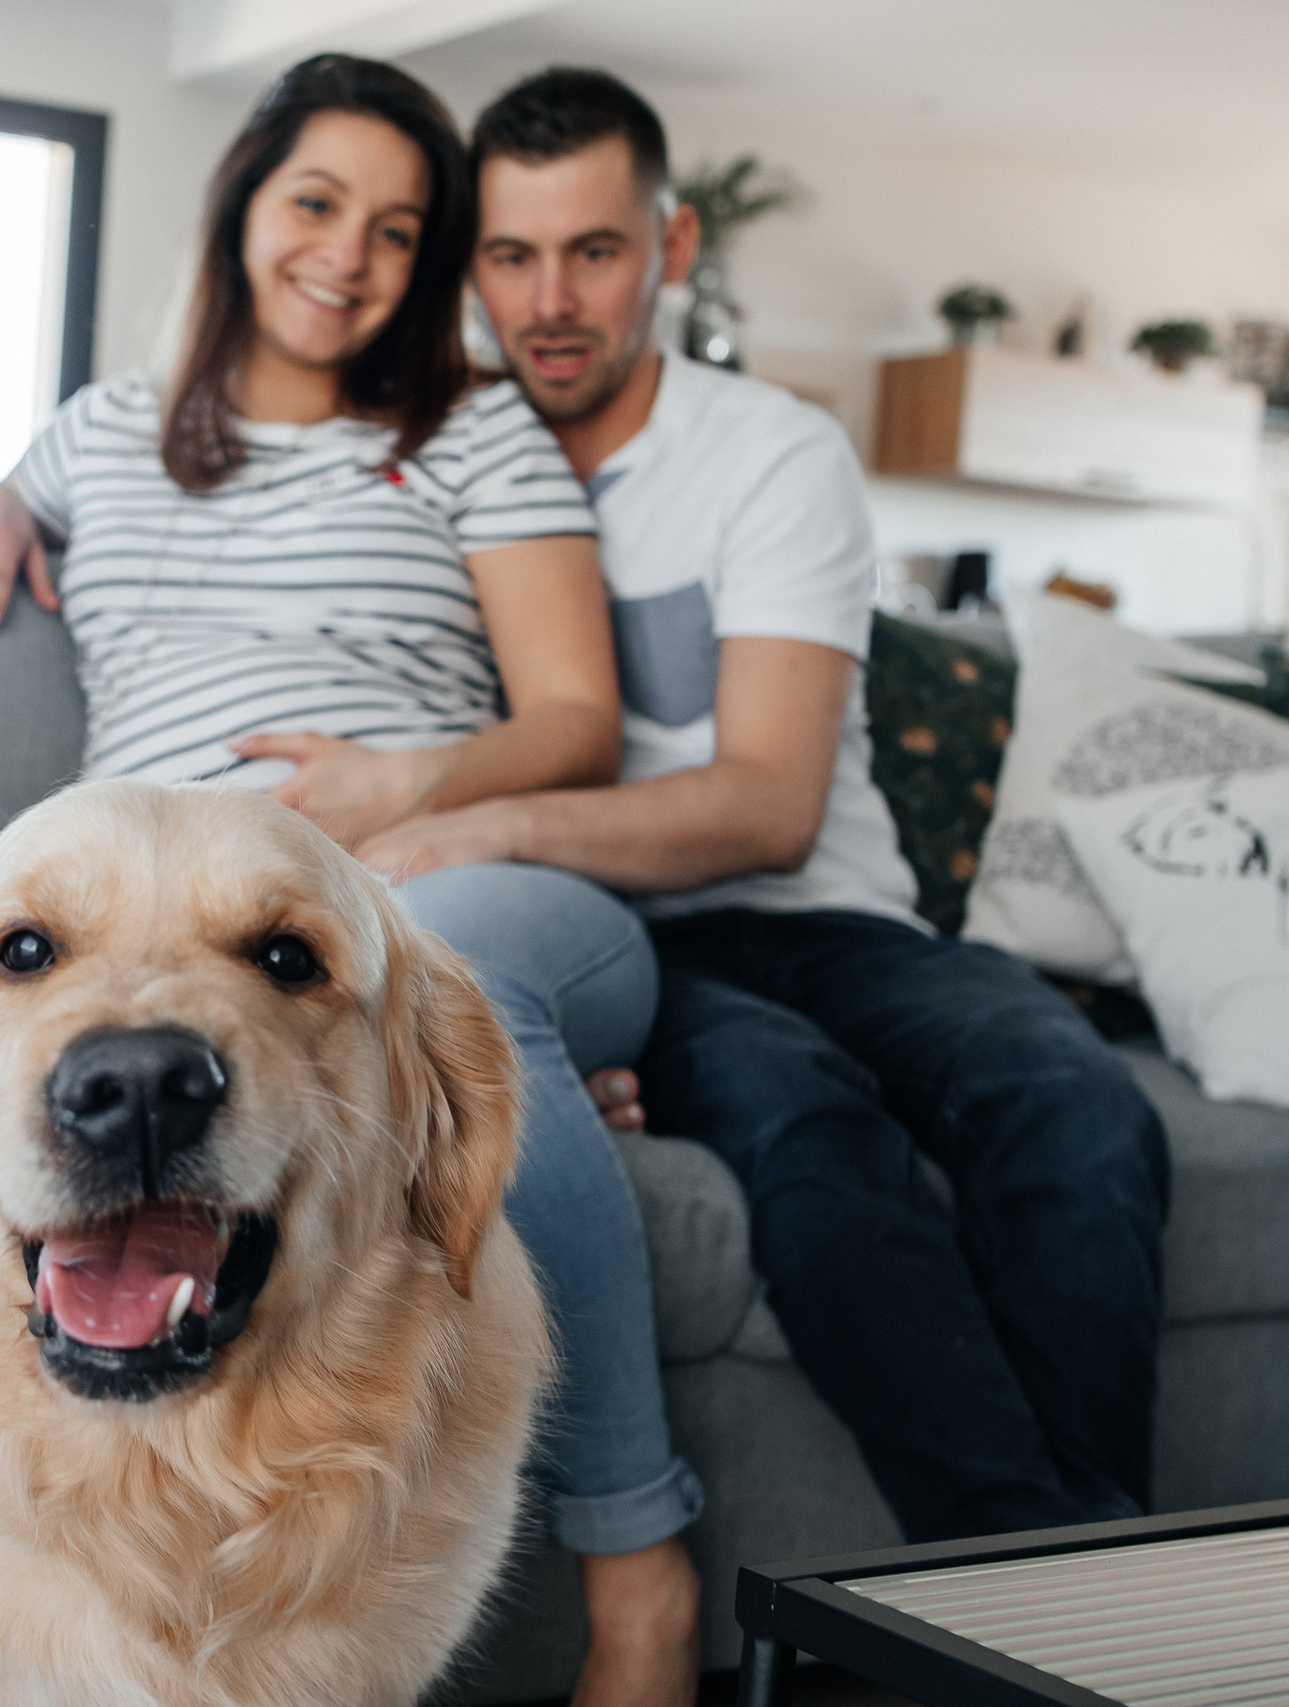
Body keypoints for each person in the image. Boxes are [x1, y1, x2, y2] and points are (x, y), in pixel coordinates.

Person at [0, 55, 705, 1707]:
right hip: (156, 907)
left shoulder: (474, 435)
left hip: (438, 872)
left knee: (461, 965)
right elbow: (15, 497)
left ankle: (638, 1581)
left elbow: (576, 718)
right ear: (245, 207)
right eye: (317, 205)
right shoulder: (107, 433)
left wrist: (395, 801)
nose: (350, 256)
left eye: (402, 231)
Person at [349, 67, 1169, 1547]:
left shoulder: (770, 452)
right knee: (811, 1141)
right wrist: (7, 496)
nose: (549, 300)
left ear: (667, 250)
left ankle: (1071, 1589)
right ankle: (1046, 1599)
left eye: (594, 252)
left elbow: (771, 808)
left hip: (834, 916)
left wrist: (487, 828)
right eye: (512, 255)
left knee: (1081, 1108)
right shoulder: (431, 464)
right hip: (637, 949)